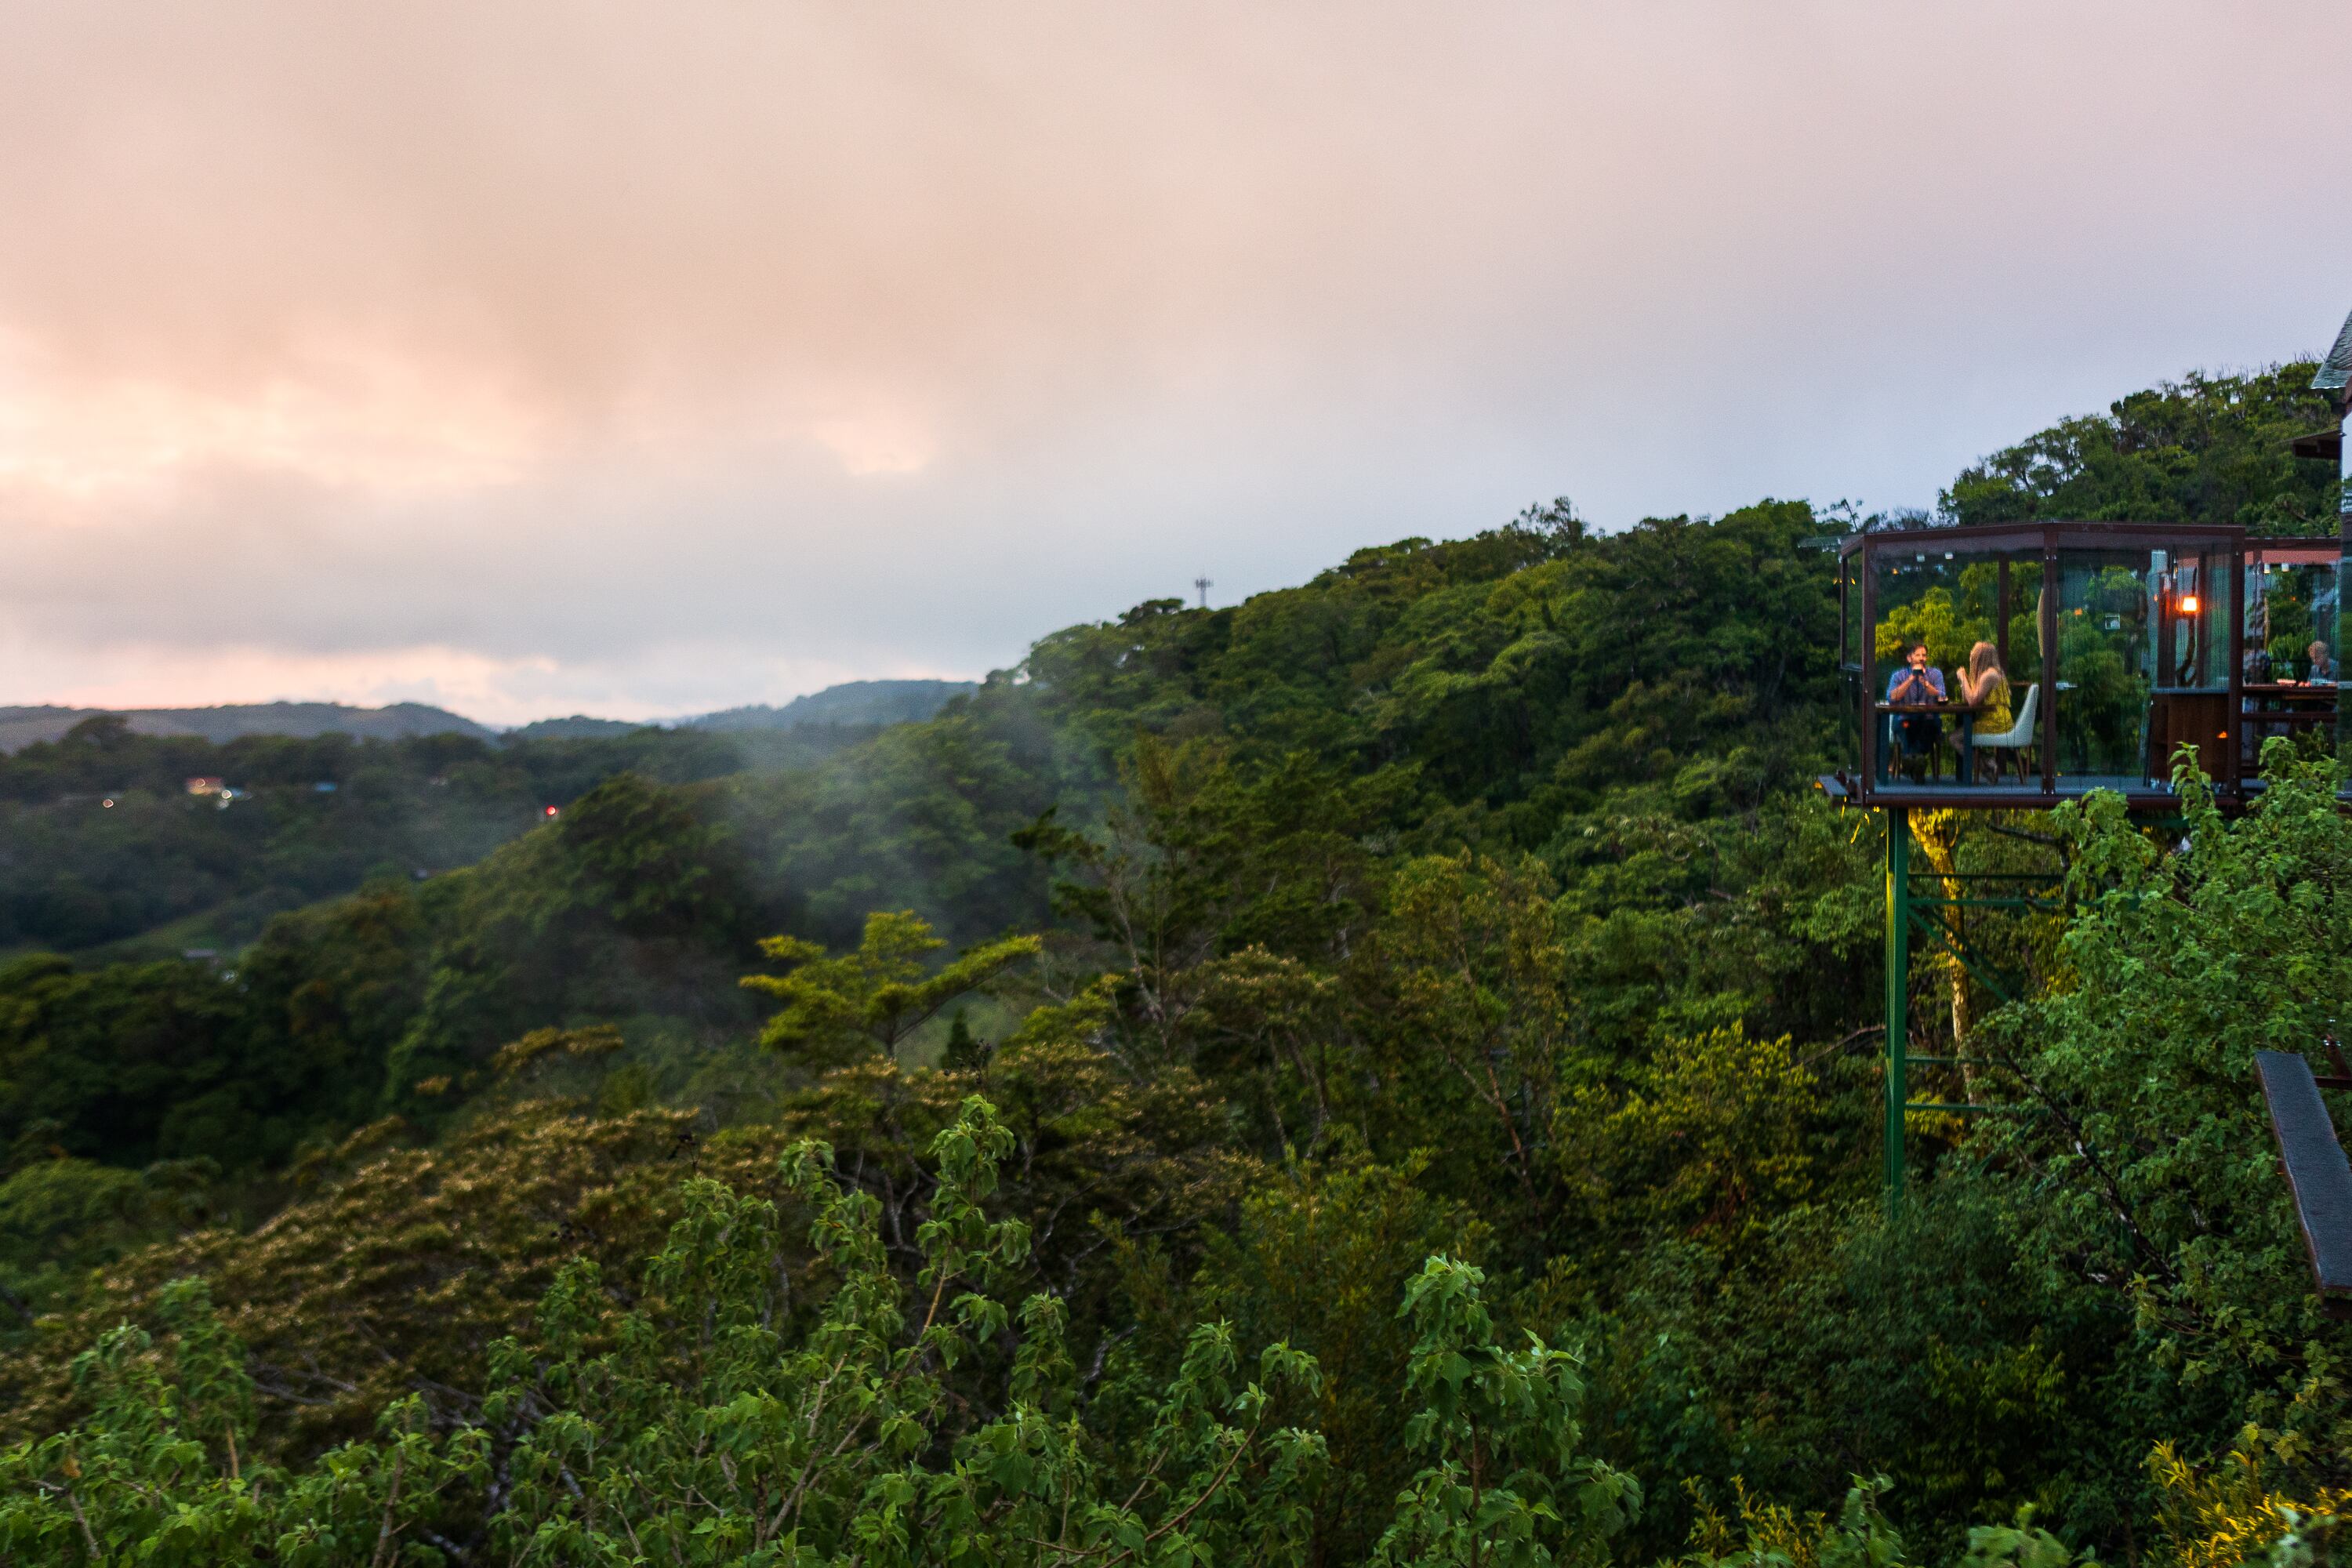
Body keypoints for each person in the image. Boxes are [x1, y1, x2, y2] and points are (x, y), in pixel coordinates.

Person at [1955, 641, 2011, 780]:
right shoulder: (1992, 673)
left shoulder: (1989, 675)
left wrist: (1962, 678)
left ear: (1980, 656)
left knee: (1954, 738)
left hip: (1997, 721)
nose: (1970, 654)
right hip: (1995, 718)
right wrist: (1965, 680)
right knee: (1959, 735)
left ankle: (1984, 764)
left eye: (1973, 652)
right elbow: (1967, 699)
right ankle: (1986, 762)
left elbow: (1972, 702)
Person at [1885, 641, 1946, 767]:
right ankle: (1918, 761)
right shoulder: (1898, 675)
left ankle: (1911, 759)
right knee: (1908, 727)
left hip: (1929, 719)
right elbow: (1892, 698)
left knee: (1929, 727)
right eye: (1917, 655)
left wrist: (1924, 682)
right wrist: (1911, 679)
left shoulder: (1935, 674)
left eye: (1924, 655)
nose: (1921, 658)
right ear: (1909, 658)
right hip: (1905, 719)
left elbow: (1941, 695)